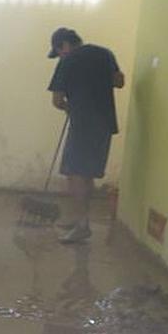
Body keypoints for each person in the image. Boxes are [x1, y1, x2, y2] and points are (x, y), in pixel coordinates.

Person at [46, 27, 125, 244]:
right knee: (87, 173)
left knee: (74, 174)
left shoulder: (67, 61)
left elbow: (57, 101)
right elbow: (119, 81)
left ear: (64, 45)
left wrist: (70, 107)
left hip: (83, 124)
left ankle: (82, 225)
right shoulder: (105, 54)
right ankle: (81, 221)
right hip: (104, 124)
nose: (60, 56)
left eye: (58, 51)